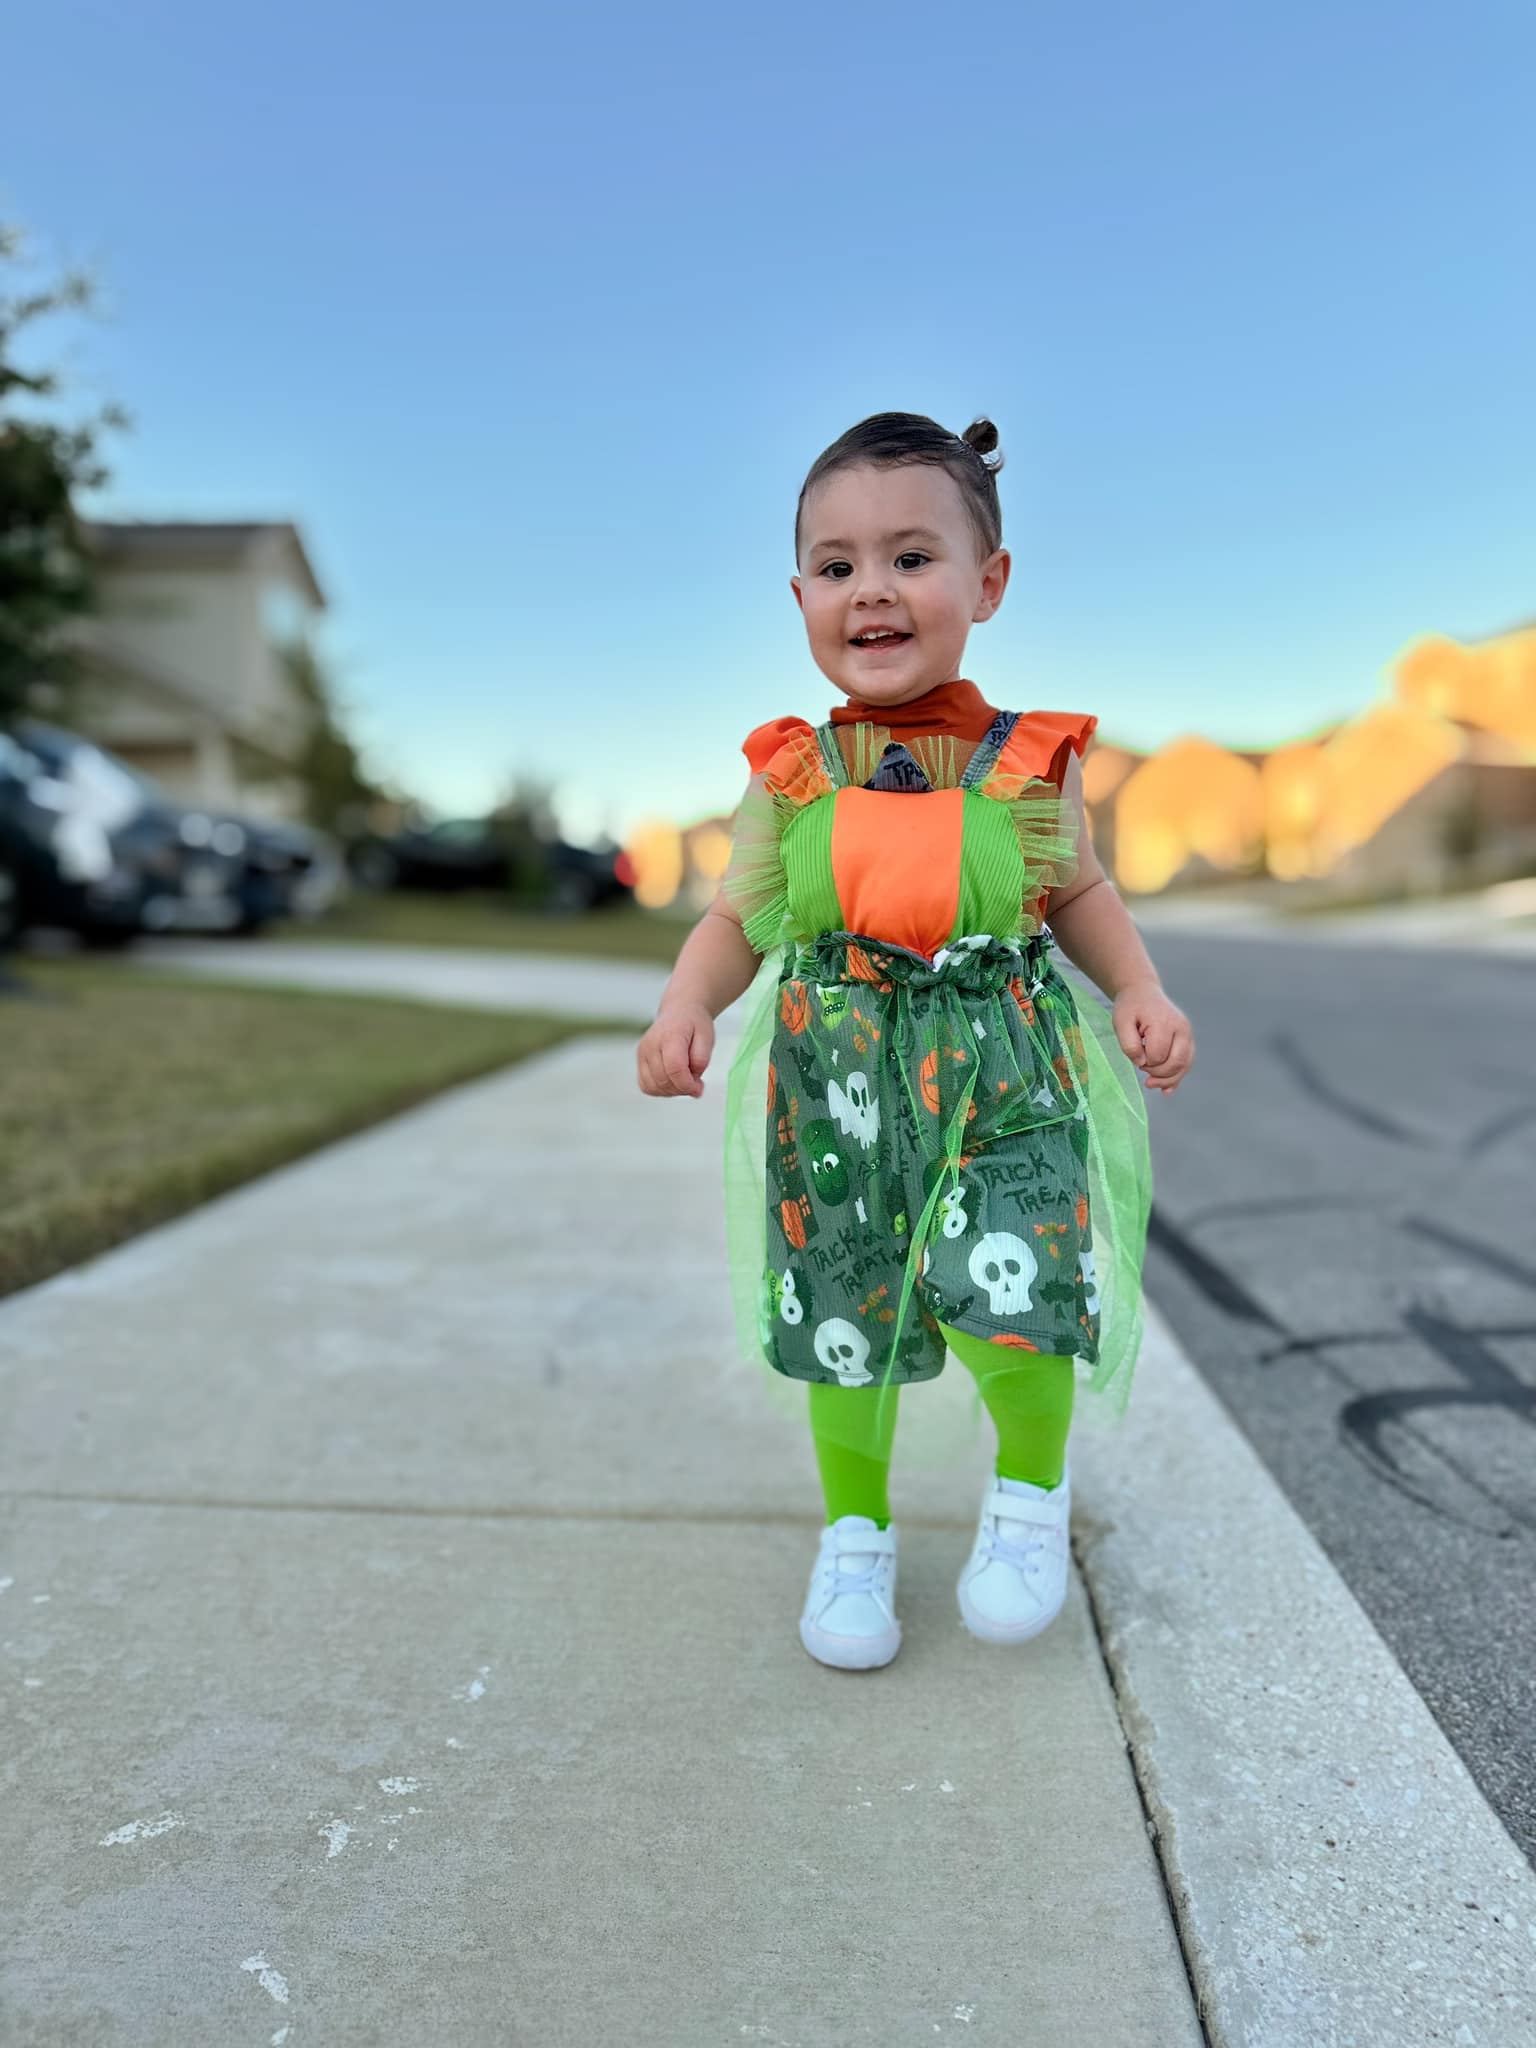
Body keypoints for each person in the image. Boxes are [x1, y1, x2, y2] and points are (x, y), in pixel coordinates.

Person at [636, 411, 1193, 1672]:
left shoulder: (1033, 762)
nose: (872, 590)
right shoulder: (791, 773)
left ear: (988, 583)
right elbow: (736, 917)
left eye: (911, 557)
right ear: (799, 597)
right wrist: (685, 1004)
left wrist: (1138, 986)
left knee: (1018, 1288)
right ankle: (856, 1531)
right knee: (844, 1313)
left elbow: (1079, 893)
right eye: (837, 565)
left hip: (1004, 1072)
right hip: (835, 1085)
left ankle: (1029, 1494)